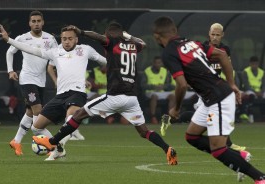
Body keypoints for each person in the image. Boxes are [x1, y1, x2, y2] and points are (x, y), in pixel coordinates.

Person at [31, 22, 178, 165]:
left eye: (108, 33)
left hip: (115, 96)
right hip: (132, 99)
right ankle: (167, 148)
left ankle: (51, 142)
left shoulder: (112, 43)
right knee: (144, 131)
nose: (105, 35)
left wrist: (80, 32)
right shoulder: (133, 46)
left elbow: (97, 36)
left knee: (78, 114)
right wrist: (127, 36)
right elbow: (143, 44)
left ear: (113, 34)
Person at [153, 16, 265, 184]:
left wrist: (175, 108)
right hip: (211, 98)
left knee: (218, 150)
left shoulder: (169, 52)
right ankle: (238, 156)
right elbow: (221, 55)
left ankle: (260, 178)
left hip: (218, 99)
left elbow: (182, 85)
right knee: (192, 136)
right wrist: (232, 84)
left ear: (156, 36)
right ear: (175, 30)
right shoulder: (192, 43)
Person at [0, 24, 107, 161]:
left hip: (77, 93)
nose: (67, 41)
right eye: (64, 39)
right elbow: (31, 50)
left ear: (76, 40)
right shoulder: (55, 52)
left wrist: (120, 64)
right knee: (36, 127)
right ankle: (58, 149)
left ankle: (59, 143)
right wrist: (9, 40)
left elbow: (105, 61)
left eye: (70, 38)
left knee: (70, 119)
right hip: (60, 95)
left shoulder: (85, 50)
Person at [161, 23, 247, 152]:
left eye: (218, 35)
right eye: (213, 34)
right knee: (212, 117)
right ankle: (226, 146)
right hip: (204, 89)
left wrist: (230, 83)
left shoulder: (224, 50)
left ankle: (226, 144)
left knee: (210, 118)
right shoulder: (201, 47)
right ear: (209, 34)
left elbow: (226, 65)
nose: (215, 37)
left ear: (222, 35)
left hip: (215, 87)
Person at [6, 10, 60, 156]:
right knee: (38, 111)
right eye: (33, 21)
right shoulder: (22, 38)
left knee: (30, 112)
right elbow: (10, 52)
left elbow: (57, 57)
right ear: (29, 23)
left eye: (38, 21)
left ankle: (16, 141)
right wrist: (10, 70)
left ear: (43, 22)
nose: (36, 24)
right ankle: (53, 145)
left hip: (41, 81)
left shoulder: (50, 38)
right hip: (27, 79)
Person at [142, 56, 175, 124]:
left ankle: (169, 118)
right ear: (153, 63)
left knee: (172, 96)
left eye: (159, 63)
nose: (157, 64)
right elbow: (143, 85)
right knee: (154, 96)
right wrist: (154, 87)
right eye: (156, 63)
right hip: (150, 92)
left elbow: (171, 86)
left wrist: (163, 86)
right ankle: (153, 117)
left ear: (161, 63)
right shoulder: (147, 71)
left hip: (162, 92)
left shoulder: (165, 71)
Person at [240, 56, 265, 123]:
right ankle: (249, 114)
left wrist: (262, 92)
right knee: (251, 95)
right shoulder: (245, 71)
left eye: (256, 64)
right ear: (250, 64)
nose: (254, 65)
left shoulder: (262, 72)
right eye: (253, 64)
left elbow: (264, 84)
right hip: (249, 90)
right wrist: (255, 92)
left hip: (260, 91)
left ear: (258, 64)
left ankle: (263, 114)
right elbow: (246, 85)